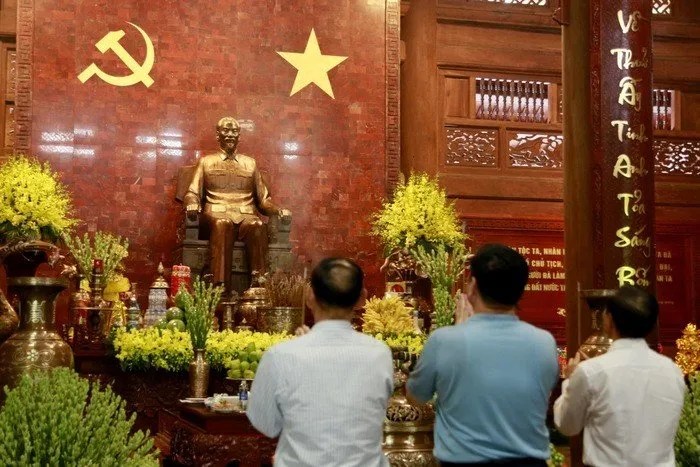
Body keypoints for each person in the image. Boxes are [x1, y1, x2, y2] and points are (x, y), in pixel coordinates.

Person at [407, 243, 559, 467]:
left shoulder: (444, 341)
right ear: (521, 290)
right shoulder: (544, 342)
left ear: (472, 286)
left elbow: (416, 396)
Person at [247, 258, 394, 467]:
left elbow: (266, 424)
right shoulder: (380, 354)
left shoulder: (281, 355)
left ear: (309, 296)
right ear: (362, 299)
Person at [553, 285, 686, 467]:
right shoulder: (673, 372)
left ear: (608, 320)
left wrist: (570, 380)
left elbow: (567, 425)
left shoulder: (591, 371)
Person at [183, 117, 291, 293]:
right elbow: (192, 193)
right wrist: (192, 203)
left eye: (234, 131)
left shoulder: (250, 163)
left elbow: (264, 200)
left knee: (257, 225)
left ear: (239, 136)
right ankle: (220, 287)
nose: (230, 135)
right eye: (226, 130)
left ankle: (259, 285)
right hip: (215, 213)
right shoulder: (206, 162)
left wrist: (278, 210)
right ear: (218, 135)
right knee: (223, 223)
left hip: (245, 214)